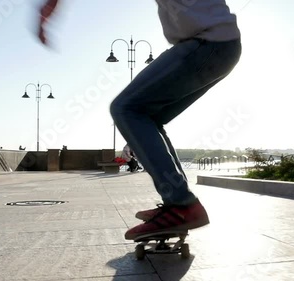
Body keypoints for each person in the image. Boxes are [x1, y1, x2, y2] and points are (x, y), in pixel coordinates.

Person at [36, 0, 241, 240]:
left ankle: (182, 204)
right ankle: (180, 202)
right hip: (221, 46)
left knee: (126, 107)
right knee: (149, 116)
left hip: (208, 43)